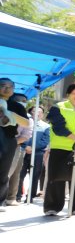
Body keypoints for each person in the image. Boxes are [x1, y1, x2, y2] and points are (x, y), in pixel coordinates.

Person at [43, 82, 75, 216]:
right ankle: (52, 207)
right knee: (56, 178)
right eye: (74, 93)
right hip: (60, 147)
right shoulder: (58, 107)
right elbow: (58, 127)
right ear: (68, 94)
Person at [0, 80, 30, 210]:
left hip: (8, 139)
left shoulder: (17, 106)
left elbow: (26, 123)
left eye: (10, 87)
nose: (7, 89)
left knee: (3, 172)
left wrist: (10, 115)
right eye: (3, 86)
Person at [19, 105, 49, 202]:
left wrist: (33, 148)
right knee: (20, 174)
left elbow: (45, 141)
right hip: (23, 151)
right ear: (30, 113)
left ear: (42, 114)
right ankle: (17, 195)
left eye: (40, 112)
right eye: (34, 111)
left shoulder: (46, 126)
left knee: (35, 175)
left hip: (38, 154)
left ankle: (30, 196)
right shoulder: (24, 123)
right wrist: (25, 146)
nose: (37, 114)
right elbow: (21, 136)